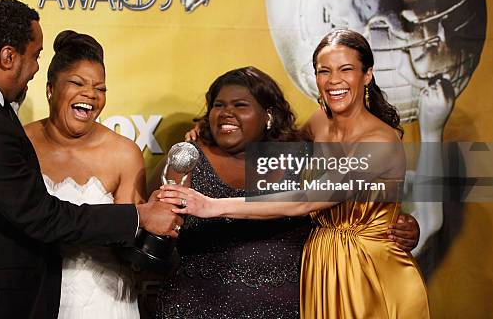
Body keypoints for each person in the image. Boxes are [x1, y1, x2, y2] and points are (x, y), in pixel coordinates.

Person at [0, 0, 182, 319]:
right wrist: (139, 217)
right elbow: (42, 217)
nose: (37, 66)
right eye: (36, 55)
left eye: (100, 87)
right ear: (8, 57)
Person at [161, 30, 429, 318]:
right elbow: (275, 143)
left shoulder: (380, 142)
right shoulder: (318, 122)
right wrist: (209, 131)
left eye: (346, 69)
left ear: (367, 75)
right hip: (322, 267)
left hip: (368, 270)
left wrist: (211, 206)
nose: (334, 80)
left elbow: (306, 200)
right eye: (324, 71)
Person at [155, 66, 313, 318]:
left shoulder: (302, 157)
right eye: (219, 105)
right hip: (195, 306)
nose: (227, 113)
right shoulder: (188, 156)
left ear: (268, 114)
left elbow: (343, 217)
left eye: (240, 105)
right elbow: (158, 225)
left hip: (285, 308)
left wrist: (399, 227)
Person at [23, 30, 143, 318]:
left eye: (100, 89)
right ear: (50, 88)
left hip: (105, 303)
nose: (90, 94)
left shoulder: (124, 153)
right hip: (30, 296)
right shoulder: (19, 143)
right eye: (77, 82)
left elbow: (133, 241)